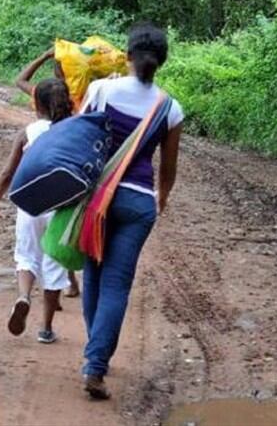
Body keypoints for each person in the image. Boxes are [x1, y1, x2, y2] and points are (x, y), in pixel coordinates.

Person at [77, 22, 183, 399]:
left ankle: (96, 357)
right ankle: (95, 361)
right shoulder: (170, 109)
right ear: (160, 63)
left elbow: (79, 137)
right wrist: (162, 197)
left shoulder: (101, 90)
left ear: (127, 55)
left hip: (98, 199)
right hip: (138, 202)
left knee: (94, 273)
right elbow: (168, 169)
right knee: (117, 284)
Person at [0, 78, 74, 344]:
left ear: (37, 104)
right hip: (62, 207)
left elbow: (7, 173)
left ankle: (23, 297)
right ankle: (46, 328)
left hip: (30, 204)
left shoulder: (28, 132)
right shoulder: (73, 130)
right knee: (54, 262)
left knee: (26, 256)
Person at [15, 49, 81, 299]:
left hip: (36, 184)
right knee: (57, 232)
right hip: (64, 185)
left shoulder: (42, 95)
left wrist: (42, 56)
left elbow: (20, 80)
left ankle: (52, 288)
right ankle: (67, 285)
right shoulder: (75, 103)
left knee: (34, 244)